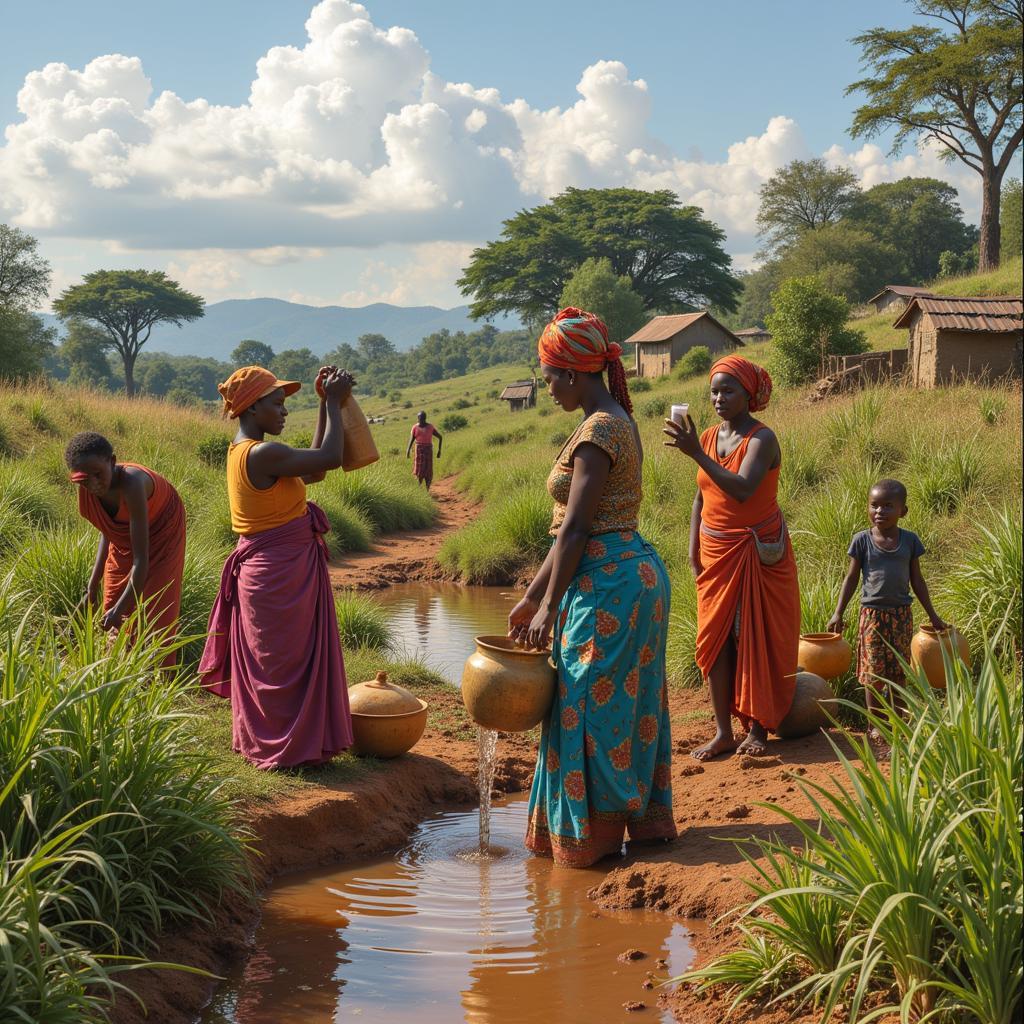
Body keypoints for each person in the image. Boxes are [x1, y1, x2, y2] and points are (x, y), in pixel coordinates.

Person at [508, 306, 675, 868]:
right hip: (627, 575)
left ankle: (594, 844)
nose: (547, 386)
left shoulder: (599, 431)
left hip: (608, 587)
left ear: (575, 373)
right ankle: (635, 823)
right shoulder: (607, 421)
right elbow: (571, 531)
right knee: (625, 703)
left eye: (550, 375)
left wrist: (548, 608)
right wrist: (532, 596)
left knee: (585, 708)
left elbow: (578, 527)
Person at [200, 364, 354, 770]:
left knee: (283, 662)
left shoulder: (244, 451)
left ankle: (293, 746)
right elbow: (333, 457)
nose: (284, 412)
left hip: (272, 569)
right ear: (252, 408)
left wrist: (325, 404)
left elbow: (317, 467)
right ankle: (283, 748)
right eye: (277, 404)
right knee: (282, 666)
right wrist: (335, 403)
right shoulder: (263, 453)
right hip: (278, 572)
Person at [663, 355, 800, 761]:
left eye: (728, 390)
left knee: (752, 636)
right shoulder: (705, 437)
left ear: (748, 395)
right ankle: (723, 732)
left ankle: (757, 728)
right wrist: (692, 551)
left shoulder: (762, 439)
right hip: (715, 554)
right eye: (714, 390)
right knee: (716, 641)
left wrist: (695, 455)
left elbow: (742, 488)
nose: (719, 397)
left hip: (756, 552)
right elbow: (700, 497)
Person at [827, 478, 947, 750]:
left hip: (901, 616)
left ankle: (899, 723)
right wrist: (838, 612)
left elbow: (918, 581)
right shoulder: (862, 540)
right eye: (874, 505)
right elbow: (851, 578)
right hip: (872, 616)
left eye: (888, 506)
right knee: (872, 673)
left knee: (898, 672)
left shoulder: (910, 541)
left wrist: (934, 616)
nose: (879, 511)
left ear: (903, 511)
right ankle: (875, 726)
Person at [66, 431, 186, 665]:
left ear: (113, 461)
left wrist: (121, 610)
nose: (93, 484)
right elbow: (109, 529)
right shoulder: (87, 483)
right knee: (111, 602)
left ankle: (155, 679)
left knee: (154, 605)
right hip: (127, 537)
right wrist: (91, 589)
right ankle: (116, 671)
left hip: (162, 531)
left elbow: (141, 559)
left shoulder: (132, 484)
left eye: (98, 475)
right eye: (84, 479)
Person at [406, 411, 442, 490]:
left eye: (423, 418)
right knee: (419, 470)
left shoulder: (430, 427)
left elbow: (440, 437)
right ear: (418, 418)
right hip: (419, 451)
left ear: (425, 418)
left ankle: (427, 489)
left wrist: (439, 450)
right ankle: (418, 489)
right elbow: (411, 439)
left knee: (428, 470)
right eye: (420, 418)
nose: (421, 420)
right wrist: (408, 450)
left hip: (428, 450)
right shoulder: (415, 427)